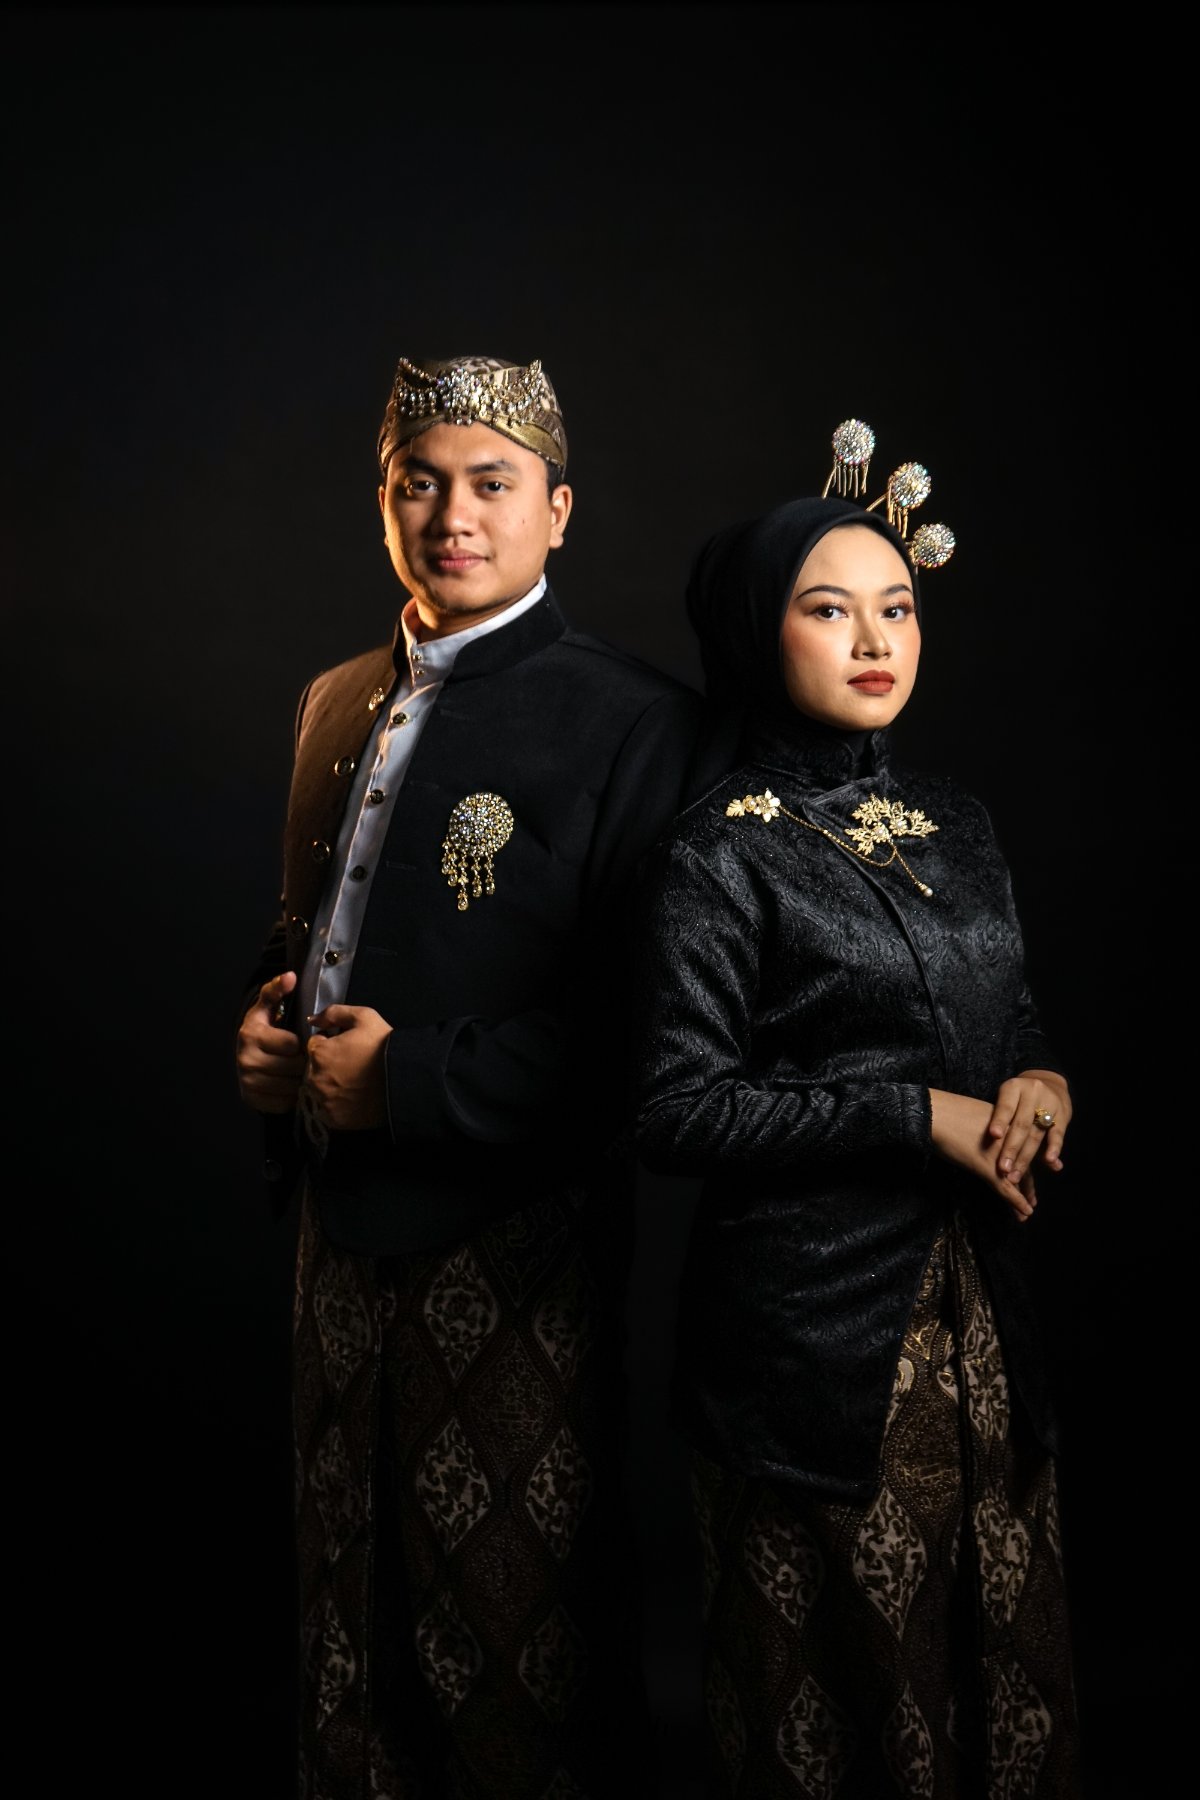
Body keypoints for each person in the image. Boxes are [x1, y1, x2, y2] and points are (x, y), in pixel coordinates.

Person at [235, 352, 708, 1799]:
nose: (453, 516)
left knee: (511, 1642)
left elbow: (652, 1037)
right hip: (336, 1244)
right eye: (419, 484)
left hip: (517, 1252)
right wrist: (268, 1031)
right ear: (384, 504)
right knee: (345, 1613)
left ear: (557, 510)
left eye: (492, 485)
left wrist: (412, 1083)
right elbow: (313, 933)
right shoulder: (332, 702)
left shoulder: (636, 721)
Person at [630, 432, 1083, 1798]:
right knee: (852, 1715)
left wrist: (1040, 1080)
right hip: (808, 1348)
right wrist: (914, 1117)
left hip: (979, 1333)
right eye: (830, 609)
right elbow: (677, 1107)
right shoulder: (721, 849)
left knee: (1005, 1683)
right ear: (755, 632)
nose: (876, 641)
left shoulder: (957, 822)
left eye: (898, 607)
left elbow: (1006, 1020)